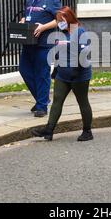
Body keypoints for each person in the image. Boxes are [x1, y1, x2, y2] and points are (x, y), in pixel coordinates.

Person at [31, 7, 93, 141]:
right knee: (57, 101)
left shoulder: (79, 32)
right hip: (63, 75)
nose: (59, 23)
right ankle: (49, 130)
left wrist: (76, 72)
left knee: (82, 102)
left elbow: (84, 54)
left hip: (79, 76)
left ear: (69, 18)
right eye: (58, 20)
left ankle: (87, 131)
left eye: (61, 20)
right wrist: (56, 71)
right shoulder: (62, 33)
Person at [19, 0, 62, 118]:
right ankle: (41, 99)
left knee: (42, 73)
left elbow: (60, 20)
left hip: (44, 42)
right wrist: (23, 20)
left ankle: (42, 106)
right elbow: (28, 17)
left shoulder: (52, 0)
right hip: (29, 41)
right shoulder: (30, 0)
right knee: (24, 69)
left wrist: (43, 27)